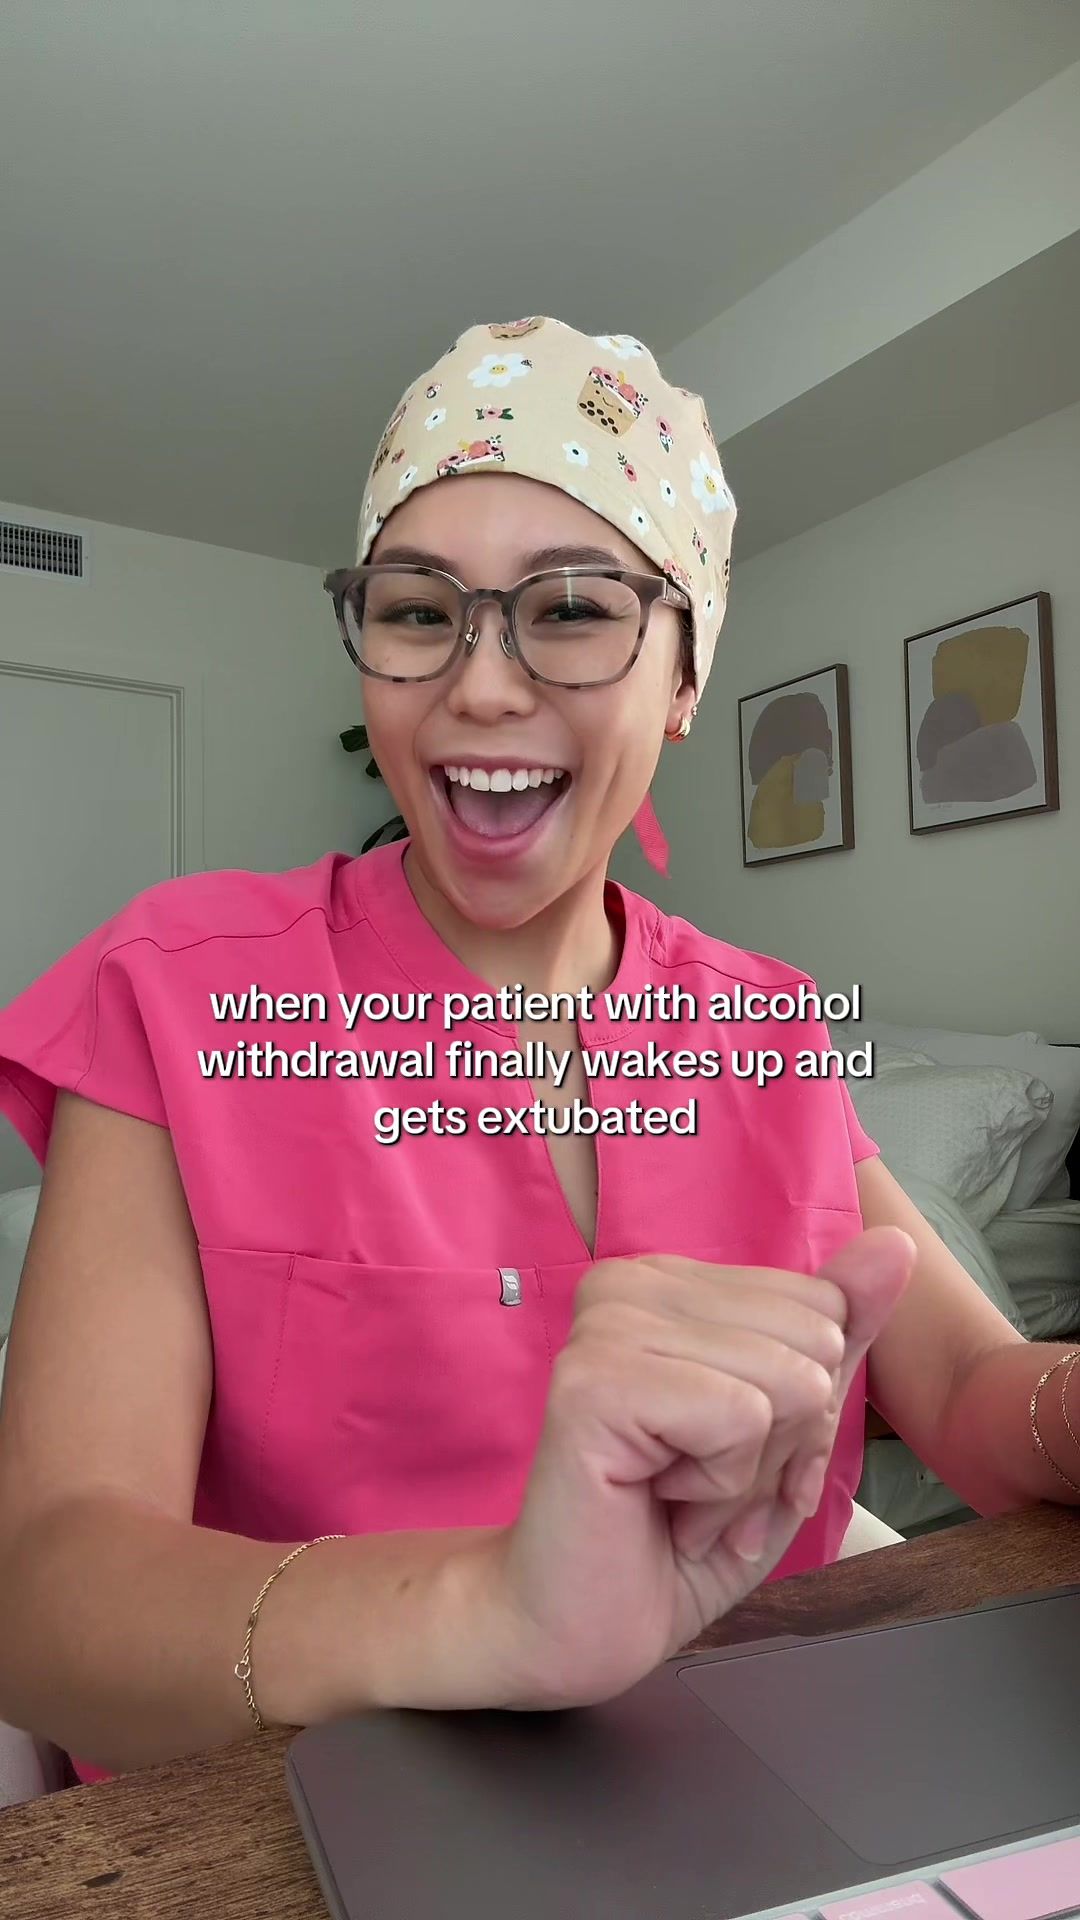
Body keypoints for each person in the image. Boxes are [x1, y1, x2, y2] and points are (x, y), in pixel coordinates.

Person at [0, 317, 1076, 1787]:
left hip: (751, 1780)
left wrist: (1063, 1411)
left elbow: (966, 1390)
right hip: (286, 1818)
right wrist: (492, 1612)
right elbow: (51, 1592)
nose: (483, 686)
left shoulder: (760, 1022)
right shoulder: (178, 991)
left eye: (572, 610)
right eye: (417, 609)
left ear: (684, 680)